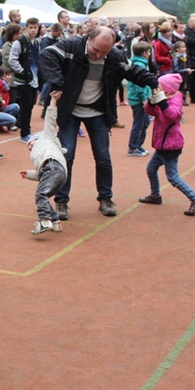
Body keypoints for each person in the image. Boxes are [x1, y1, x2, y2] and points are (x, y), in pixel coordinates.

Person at [40, 26, 159, 219]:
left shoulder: (113, 57)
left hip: (97, 112)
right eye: (96, 50)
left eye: (104, 51)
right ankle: (61, 201)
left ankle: (105, 198)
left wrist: (153, 82)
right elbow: (46, 55)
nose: (99, 55)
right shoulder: (71, 47)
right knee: (65, 157)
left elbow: (133, 71)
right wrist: (57, 82)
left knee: (103, 157)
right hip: (69, 111)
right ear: (89, 39)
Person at [139, 74, 195, 216]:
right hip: (162, 144)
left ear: (168, 89)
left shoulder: (175, 100)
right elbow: (149, 112)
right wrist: (152, 102)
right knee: (151, 169)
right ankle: (155, 195)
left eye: (160, 87)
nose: (157, 89)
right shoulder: (164, 97)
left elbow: (173, 116)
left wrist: (162, 102)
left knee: (173, 177)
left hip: (170, 145)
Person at [20, 104, 67, 234]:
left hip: (53, 166)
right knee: (43, 196)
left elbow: (50, 120)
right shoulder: (36, 156)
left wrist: (53, 101)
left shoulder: (47, 138)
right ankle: (56, 222)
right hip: (57, 172)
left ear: (37, 139)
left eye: (30, 143)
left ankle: (45, 221)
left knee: (40, 194)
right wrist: (29, 174)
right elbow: (42, 174)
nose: (29, 147)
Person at [9, 17, 41, 142]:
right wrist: (22, 71)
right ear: (26, 28)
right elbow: (12, 59)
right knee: (25, 106)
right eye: (31, 28)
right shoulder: (19, 42)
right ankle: (24, 132)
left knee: (31, 105)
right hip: (23, 80)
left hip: (34, 79)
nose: (33, 30)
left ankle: (27, 130)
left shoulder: (37, 42)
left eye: (35, 28)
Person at [127, 41, 153, 157]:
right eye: (149, 52)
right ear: (144, 53)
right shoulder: (139, 65)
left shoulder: (141, 63)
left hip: (141, 96)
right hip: (137, 98)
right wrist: (144, 99)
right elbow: (139, 84)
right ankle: (133, 147)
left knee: (145, 121)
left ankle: (138, 145)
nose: (150, 54)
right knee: (139, 122)